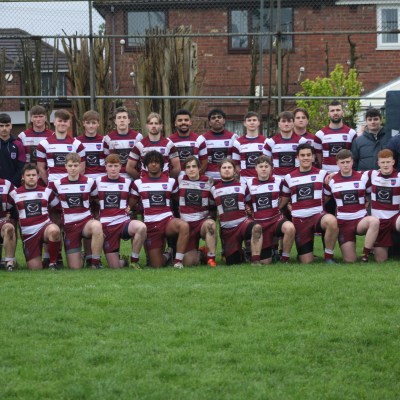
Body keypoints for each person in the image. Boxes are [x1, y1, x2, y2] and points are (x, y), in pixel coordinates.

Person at [281, 143, 339, 263]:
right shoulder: (288, 177)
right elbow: (284, 200)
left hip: (317, 216)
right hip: (300, 220)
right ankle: (302, 255)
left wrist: (335, 174)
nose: (306, 158)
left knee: (331, 221)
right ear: (297, 157)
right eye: (302, 155)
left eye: (308, 155)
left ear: (313, 157)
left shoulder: (322, 174)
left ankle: (328, 257)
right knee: (307, 261)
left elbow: (330, 192)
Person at [130, 150, 189, 268]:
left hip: (167, 221)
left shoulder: (171, 181)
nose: (153, 164)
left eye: (156, 162)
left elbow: (179, 201)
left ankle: (178, 261)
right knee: (157, 265)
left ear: (161, 165)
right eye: (150, 162)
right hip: (151, 225)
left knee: (184, 226)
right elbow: (131, 205)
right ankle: (168, 254)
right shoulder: (138, 183)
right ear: (146, 165)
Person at [51, 153, 104, 269]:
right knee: (75, 268)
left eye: (75, 165)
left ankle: (95, 262)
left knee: (97, 226)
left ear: (80, 166)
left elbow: (96, 199)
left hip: (85, 222)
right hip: (69, 226)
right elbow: (51, 201)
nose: (73, 168)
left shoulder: (89, 181)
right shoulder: (57, 184)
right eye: (70, 166)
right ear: (65, 166)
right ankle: (82, 255)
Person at [325, 149, 380, 262]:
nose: (345, 165)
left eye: (348, 162)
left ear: (352, 162)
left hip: (360, 220)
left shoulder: (363, 177)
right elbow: (323, 199)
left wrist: (367, 201)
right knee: (350, 260)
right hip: (343, 223)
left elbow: (380, 175)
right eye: (342, 162)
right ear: (337, 163)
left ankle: (365, 255)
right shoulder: (331, 180)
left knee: (374, 221)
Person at [95, 154, 147, 269]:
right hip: (107, 225)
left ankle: (134, 260)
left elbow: (135, 197)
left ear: (120, 166)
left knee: (141, 227)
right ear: (105, 167)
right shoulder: (98, 181)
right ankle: (124, 261)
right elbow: (93, 198)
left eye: (116, 166)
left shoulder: (127, 182)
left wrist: (130, 207)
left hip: (123, 222)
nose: (113, 169)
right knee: (115, 267)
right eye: (110, 166)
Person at [210, 158, 263, 265]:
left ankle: (255, 260)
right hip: (227, 229)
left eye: (229, 167)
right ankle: (242, 252)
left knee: (256, 227)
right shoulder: (213, 189)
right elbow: (211, 209)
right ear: (219, 171)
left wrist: (249, 210)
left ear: (234, 170)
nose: (227, 170)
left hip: (243, 224)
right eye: (224, 168)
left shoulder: (243, 186)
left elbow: (250, 203)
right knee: (232, 262)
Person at [9, 164, 61, 270]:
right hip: (29, 234)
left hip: (44, 227)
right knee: (35, 268)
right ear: (23, 177)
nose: (31, 177)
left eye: (34, 175)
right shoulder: (14, 194)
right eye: (28, 175)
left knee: (54, 230)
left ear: (38, 176)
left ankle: (52, 263)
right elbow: (6, 208)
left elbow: (59, 207)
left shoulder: (46, 191)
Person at [246, 156, 295, 264]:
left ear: (271, 168)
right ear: (256, 168)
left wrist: (281, 206)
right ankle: (256, 253)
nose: (264, 169)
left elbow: (286, 195)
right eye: (261, 166)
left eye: (266, 166)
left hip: (275, 220)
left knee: (290, 228)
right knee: (265, 262)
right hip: (259, 223)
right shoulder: (249, 183)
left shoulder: (278, 181)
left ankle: (284, 258)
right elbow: (246, 200)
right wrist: (249, 209)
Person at [177, 156, 217, 267]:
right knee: (188, 262)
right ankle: (201, 253)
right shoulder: (180, 180)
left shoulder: (208, 181)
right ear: (185, 170)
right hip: (186, 225)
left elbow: (214, 203)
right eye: (188, 167)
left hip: (201, 222)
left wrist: (211, 217)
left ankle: (211, 259)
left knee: (211, 225)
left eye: (194, 166)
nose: (191, 169)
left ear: (199, 168)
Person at [364, 149, 400, 262]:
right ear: (378, 163)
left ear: (393, 162)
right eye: (383, 162)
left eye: (388, 162)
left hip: (395, 219)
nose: (385, 165)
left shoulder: (399, 177)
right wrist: (333, 174)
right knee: (380, 260)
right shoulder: (372, 175)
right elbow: (352, 176)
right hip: (379, 222)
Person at [36, 109, 85, 185]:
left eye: (65, 121)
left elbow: (82, 168)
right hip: (52, 186)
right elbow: (41, 168)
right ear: (54, 122)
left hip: (72, 186)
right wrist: (50, 183)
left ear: (69, 123)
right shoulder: (43, 144)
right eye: (60, 121)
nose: (62, 123)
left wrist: (74, 183)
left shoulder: (77, 144)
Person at [126, 112, 180, 180]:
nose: (153, 126)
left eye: (156, 123)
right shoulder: (139, 145)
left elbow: (177, 168)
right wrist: (140, 180)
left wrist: (169, 180)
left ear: (161, 126)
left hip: (163, 183)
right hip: (145, 184)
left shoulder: (169, 144)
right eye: (151, 123)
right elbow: (129, 168)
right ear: (147, 126)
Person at [314, 100, 357, 172]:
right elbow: (319, 157)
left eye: (338, 110)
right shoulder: (319, 134)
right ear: (328, 114)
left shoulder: (351, 133)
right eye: (332, 111)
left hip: (346, 174)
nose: (335, 113)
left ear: (342, 112)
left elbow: (354, 156)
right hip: (327, 174)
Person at [264, 111, 307, 179]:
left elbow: (306, 162)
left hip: (296, 179)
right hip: (277, 179)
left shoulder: (302, 141)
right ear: (279, 124)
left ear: (293, 123)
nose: (286, 124)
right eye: (283, 121)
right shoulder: (270, 142)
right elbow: (265, 164)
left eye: (289, 121)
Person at [103, 106, 143, 179]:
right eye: (119, 118)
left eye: (124, 117)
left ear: (129, 120)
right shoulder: (108, 138)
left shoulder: (138, 137)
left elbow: (141, 160)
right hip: (116, 177)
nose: (122, 120)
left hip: (133, 177)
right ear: (115, 121)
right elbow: (106, 160)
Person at [203, 109, 239, 183]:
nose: (217, 119)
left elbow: (237, 160)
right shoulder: (202, 139)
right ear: (209, 122)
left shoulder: (234, 137)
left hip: (228, 178)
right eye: (213, 118)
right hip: (209, 178)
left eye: (219, 117)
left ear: (224, 120)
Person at [232, 111, 269, 185]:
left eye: (254, 120)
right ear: (244, 123)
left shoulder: (266, 141)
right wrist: (242, 174)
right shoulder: (237, 142)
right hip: (245, 181)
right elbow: (236, 164)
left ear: (259, 123)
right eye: (249, 120)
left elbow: (269, 163)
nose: (252, 122)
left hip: (262, 181)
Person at [168, 109, 208, 174]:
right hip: (176, 180)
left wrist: (195, 177)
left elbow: (204, 163)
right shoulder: (169, 141)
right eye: (180, 120)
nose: (183, 122)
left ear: (190, 122)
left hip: (194, 179)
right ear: (175, 123)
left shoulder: (200, 139)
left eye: (186, 120)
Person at [77, 110, 106, 179]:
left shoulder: (104, 140)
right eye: (88, 123)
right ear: (83, 123)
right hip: (85, 178)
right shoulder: (77, 141)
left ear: (98, 123)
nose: (91, 126)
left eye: (94, 123)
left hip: (101, 178)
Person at [0, 113, 26, 187]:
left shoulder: (18, 144)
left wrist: (12, 185)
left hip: (14, 186)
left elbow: (21, 167)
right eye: (1, 126)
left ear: (11, 126)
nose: (4, 128)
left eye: (7, 125)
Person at [0, 177, 17, 271]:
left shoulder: (6, 183)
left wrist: (8, 210)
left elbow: (16, 196)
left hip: (2, 220)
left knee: (9, 228)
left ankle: (9, 262)